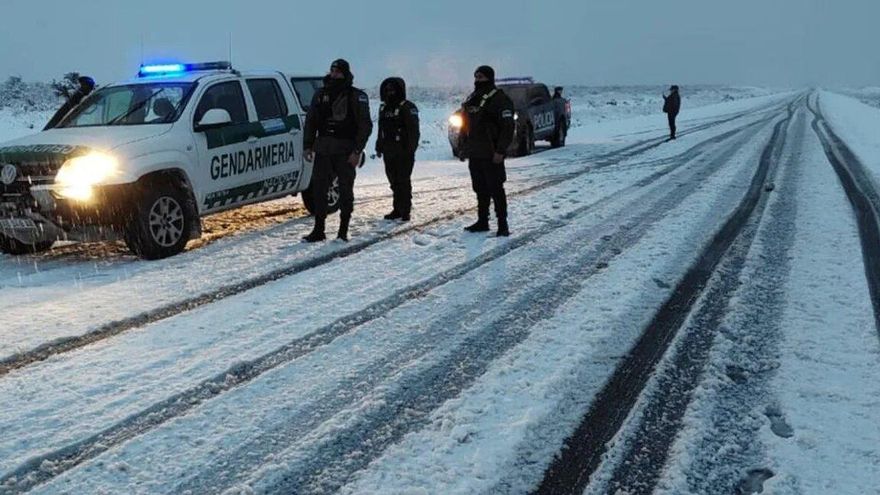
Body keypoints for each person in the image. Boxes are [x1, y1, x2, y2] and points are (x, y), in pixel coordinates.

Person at [302, 59, 373, 242]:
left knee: (345, 190)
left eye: (338, 71)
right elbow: (311, 121)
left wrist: (357, 151)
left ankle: (343, 230)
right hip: (323, 149)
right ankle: (319, 229)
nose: (334, 74)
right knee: (319, 190)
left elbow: (365, 125)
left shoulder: (356, 96)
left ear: (345, 73)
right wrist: (307, 146)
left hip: (345, 150)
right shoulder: (320, 94)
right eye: (332, 70)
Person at [458, 65, 515, 237]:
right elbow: (465, 124)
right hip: (475, 152)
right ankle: (482, 221)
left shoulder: (499, 99)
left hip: (491, 153)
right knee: (480, 188)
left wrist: (500, 150)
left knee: (496, 188)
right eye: (476, 77)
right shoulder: (472, 98)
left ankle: (502, 224)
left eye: (482, 77)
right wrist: (463, 147)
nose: (478, 80)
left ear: (490, 78)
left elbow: (507, 127)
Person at [375, 77, 420, 221]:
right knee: (393, 181)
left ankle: (405, 209)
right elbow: (381, 129)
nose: (390, 93)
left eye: (392, 90)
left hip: (404, 150)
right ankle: (397, 208)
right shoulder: (384, 108)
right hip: (389, 150)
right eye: (387, 90)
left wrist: (410, 149)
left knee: (403, 180)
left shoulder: (407, 107)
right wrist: (379, 145)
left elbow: (414, 131)